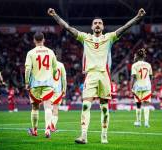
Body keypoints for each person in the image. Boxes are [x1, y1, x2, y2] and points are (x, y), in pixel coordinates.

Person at [48, 7, 146, 144]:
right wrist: (55, 15)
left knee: (105, 109)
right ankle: (83, 136)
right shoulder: (85, 38)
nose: (98, 25)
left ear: (103, 26)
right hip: (91, 75)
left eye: (100, 23)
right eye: (95, 23)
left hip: (104, 76)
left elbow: (124, 28)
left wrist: (137, 17)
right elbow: (68, 28)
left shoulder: (109, 37)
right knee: (85, 106)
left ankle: (104, 135)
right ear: (92, 26)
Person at [25, 32, 57, 138]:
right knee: (48, 106)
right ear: (44, 40)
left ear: (34, 40)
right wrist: (51, 76)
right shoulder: (50, 52)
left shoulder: (30, 53)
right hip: (48, 83)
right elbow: (55, 68)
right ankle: (47, 129)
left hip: (34, 83)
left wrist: (26, 82)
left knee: (35, 107)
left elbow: (28, 69)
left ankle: (34, 130)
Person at [131, 48, 152, 128]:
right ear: (144, 56)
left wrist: (131, 87)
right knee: (146, 104)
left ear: (137, 56)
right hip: (147, 86)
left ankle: (138, 122)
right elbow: (151, 76)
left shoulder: (134, 65)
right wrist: (149, 84)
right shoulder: (148, 65)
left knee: (138, 104)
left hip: (138, 86)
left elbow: (132, 77)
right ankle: (146, 123)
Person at [51, 59, 67, 131]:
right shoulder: (60, 65)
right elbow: (64, 78)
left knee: (47, 108)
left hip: (48, 89)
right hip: (57, 90)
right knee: (55, 108)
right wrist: (64, 89)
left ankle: (47, 127)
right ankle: (52, 126)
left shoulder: (47, 65)